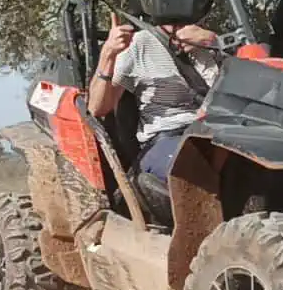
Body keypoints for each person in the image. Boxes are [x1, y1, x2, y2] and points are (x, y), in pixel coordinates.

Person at [87, 11, 219, 183]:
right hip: (167, 139)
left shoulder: (209, 40)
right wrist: (108, 54)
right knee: (193, 165)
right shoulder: (139, 43)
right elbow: (97, 108)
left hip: (215, 132)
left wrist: (215, 41)